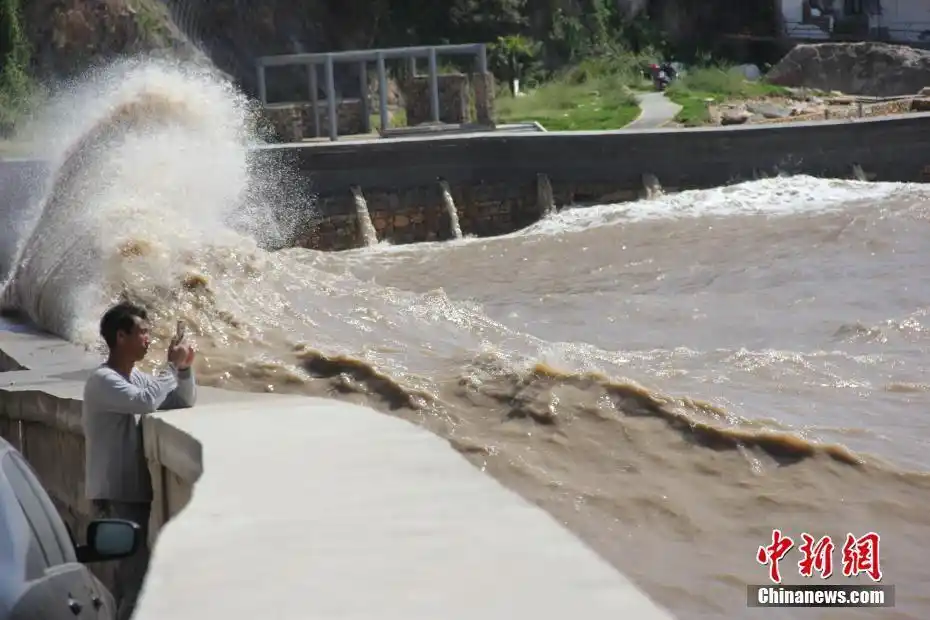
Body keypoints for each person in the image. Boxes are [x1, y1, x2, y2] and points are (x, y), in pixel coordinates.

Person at [82, 301, 197, 620]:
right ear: (121, 337)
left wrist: (184, 369)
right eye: (143, 333)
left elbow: (180, 402)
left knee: (134, 584)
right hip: (116, 498)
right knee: (137, 586)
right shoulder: (103, 380)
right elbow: (146, 402)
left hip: (133, 495)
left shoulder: (137, 377)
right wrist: (170, 369)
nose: (149, 339)